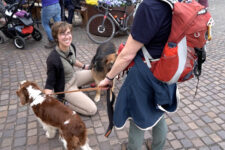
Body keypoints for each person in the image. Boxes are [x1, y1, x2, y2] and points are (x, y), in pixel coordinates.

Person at [98, 0, 178, 150]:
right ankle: (157, 147)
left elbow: (127, 55)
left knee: (137, 116)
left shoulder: (149, 6)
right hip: (168, 67)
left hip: (146, 72)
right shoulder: (173, 2)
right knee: (159, 109)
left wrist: (109, 78)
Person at [44, 21, 97, 116]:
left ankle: (77, 93)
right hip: (66, 87)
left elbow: (72, 60)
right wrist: (46, 101)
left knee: (96, 72)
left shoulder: (71, 46)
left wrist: (85, 67)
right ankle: (63, 102)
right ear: (56, 37)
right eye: (62, 34)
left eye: (68, 33)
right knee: (92, 110)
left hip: (75, 77)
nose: (67, 36)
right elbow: (49, 83)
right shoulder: (53, 59)